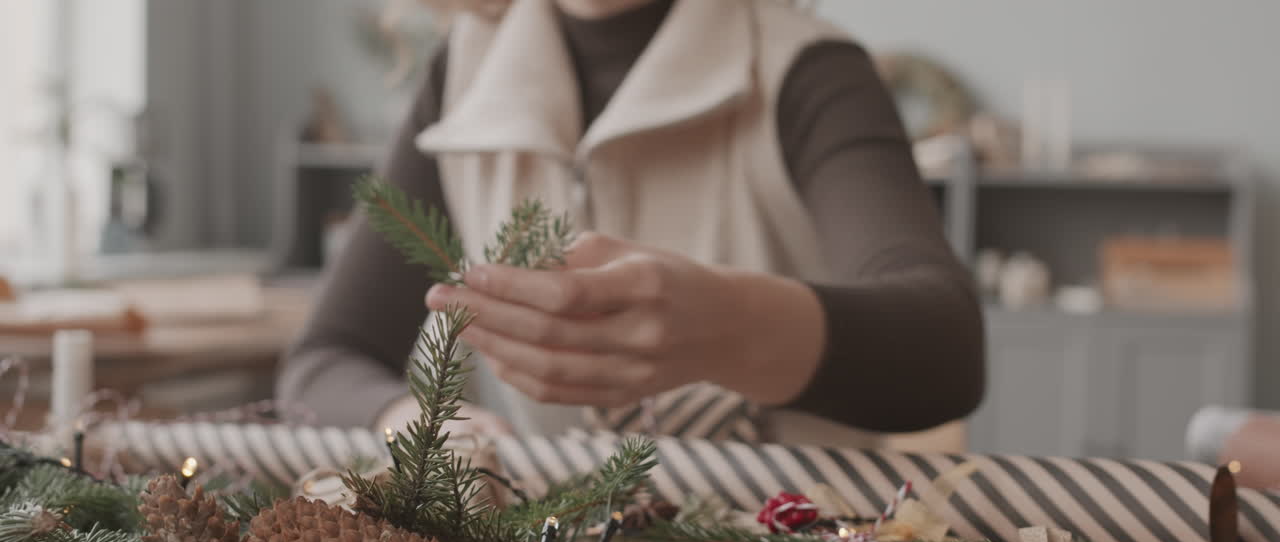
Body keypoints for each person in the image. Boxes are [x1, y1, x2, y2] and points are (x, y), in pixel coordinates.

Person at [277, 0, 986, 448]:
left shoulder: (807, 70)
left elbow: (947, 348)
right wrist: (417, 423)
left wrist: (731, 326)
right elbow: (326, 359)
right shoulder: (464, 76)